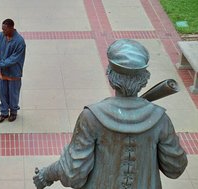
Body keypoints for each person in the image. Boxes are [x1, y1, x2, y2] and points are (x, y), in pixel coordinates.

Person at [33, 39, 187, 189]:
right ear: (144, 79)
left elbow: (73, 173)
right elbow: (175, 167)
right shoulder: (160, 120)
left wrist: (46, 175)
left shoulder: (91, 117)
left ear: (110, 75)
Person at [0, 18, 26, 123]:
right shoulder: (0, 36)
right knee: (2, 93)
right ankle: (4, 112)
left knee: (13, 94)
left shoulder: (20, 42)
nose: (2, 31)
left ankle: (13, 112)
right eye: (2, 29)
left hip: (14, 73)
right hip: (2, 72)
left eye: (4, 29)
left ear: (11, 28)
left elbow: (13, 60)